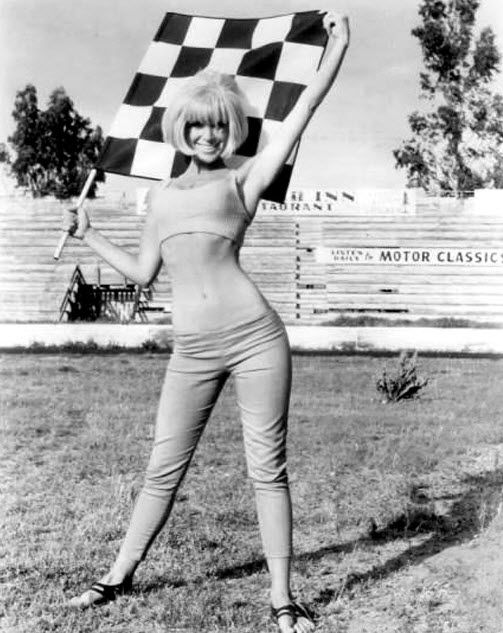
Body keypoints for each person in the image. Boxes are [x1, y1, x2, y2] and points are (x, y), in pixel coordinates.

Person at [65, 11, 349, 633]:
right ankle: (116, 576)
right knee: (161, 468)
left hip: (256, 339)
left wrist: (338, 51)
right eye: (196, 124)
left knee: (266, 468)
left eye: (218, 125)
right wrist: (91, 236)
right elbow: (144, 273)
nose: (207, 135)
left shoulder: (246, 179)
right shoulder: (161, 198)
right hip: (190, 350)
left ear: (231, 128)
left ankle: (281, 600)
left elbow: (303, 111)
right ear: (180, 128)